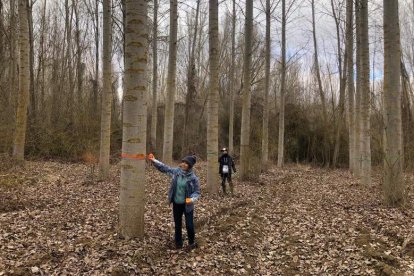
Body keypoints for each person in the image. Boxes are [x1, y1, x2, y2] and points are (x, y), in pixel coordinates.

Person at [148, 153, 200, 250]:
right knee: (177, 224)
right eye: (183, 162)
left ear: (190, 166)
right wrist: (154, 160)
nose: (183, 164)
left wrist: (192, 199)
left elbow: (197, 192)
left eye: (186, 163)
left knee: (189, 225)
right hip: (176, 203)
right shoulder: (176, 172)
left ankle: (191, 243)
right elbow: (165, 168)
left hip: (187, 205)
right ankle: (178, 243)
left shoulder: (193, 178)